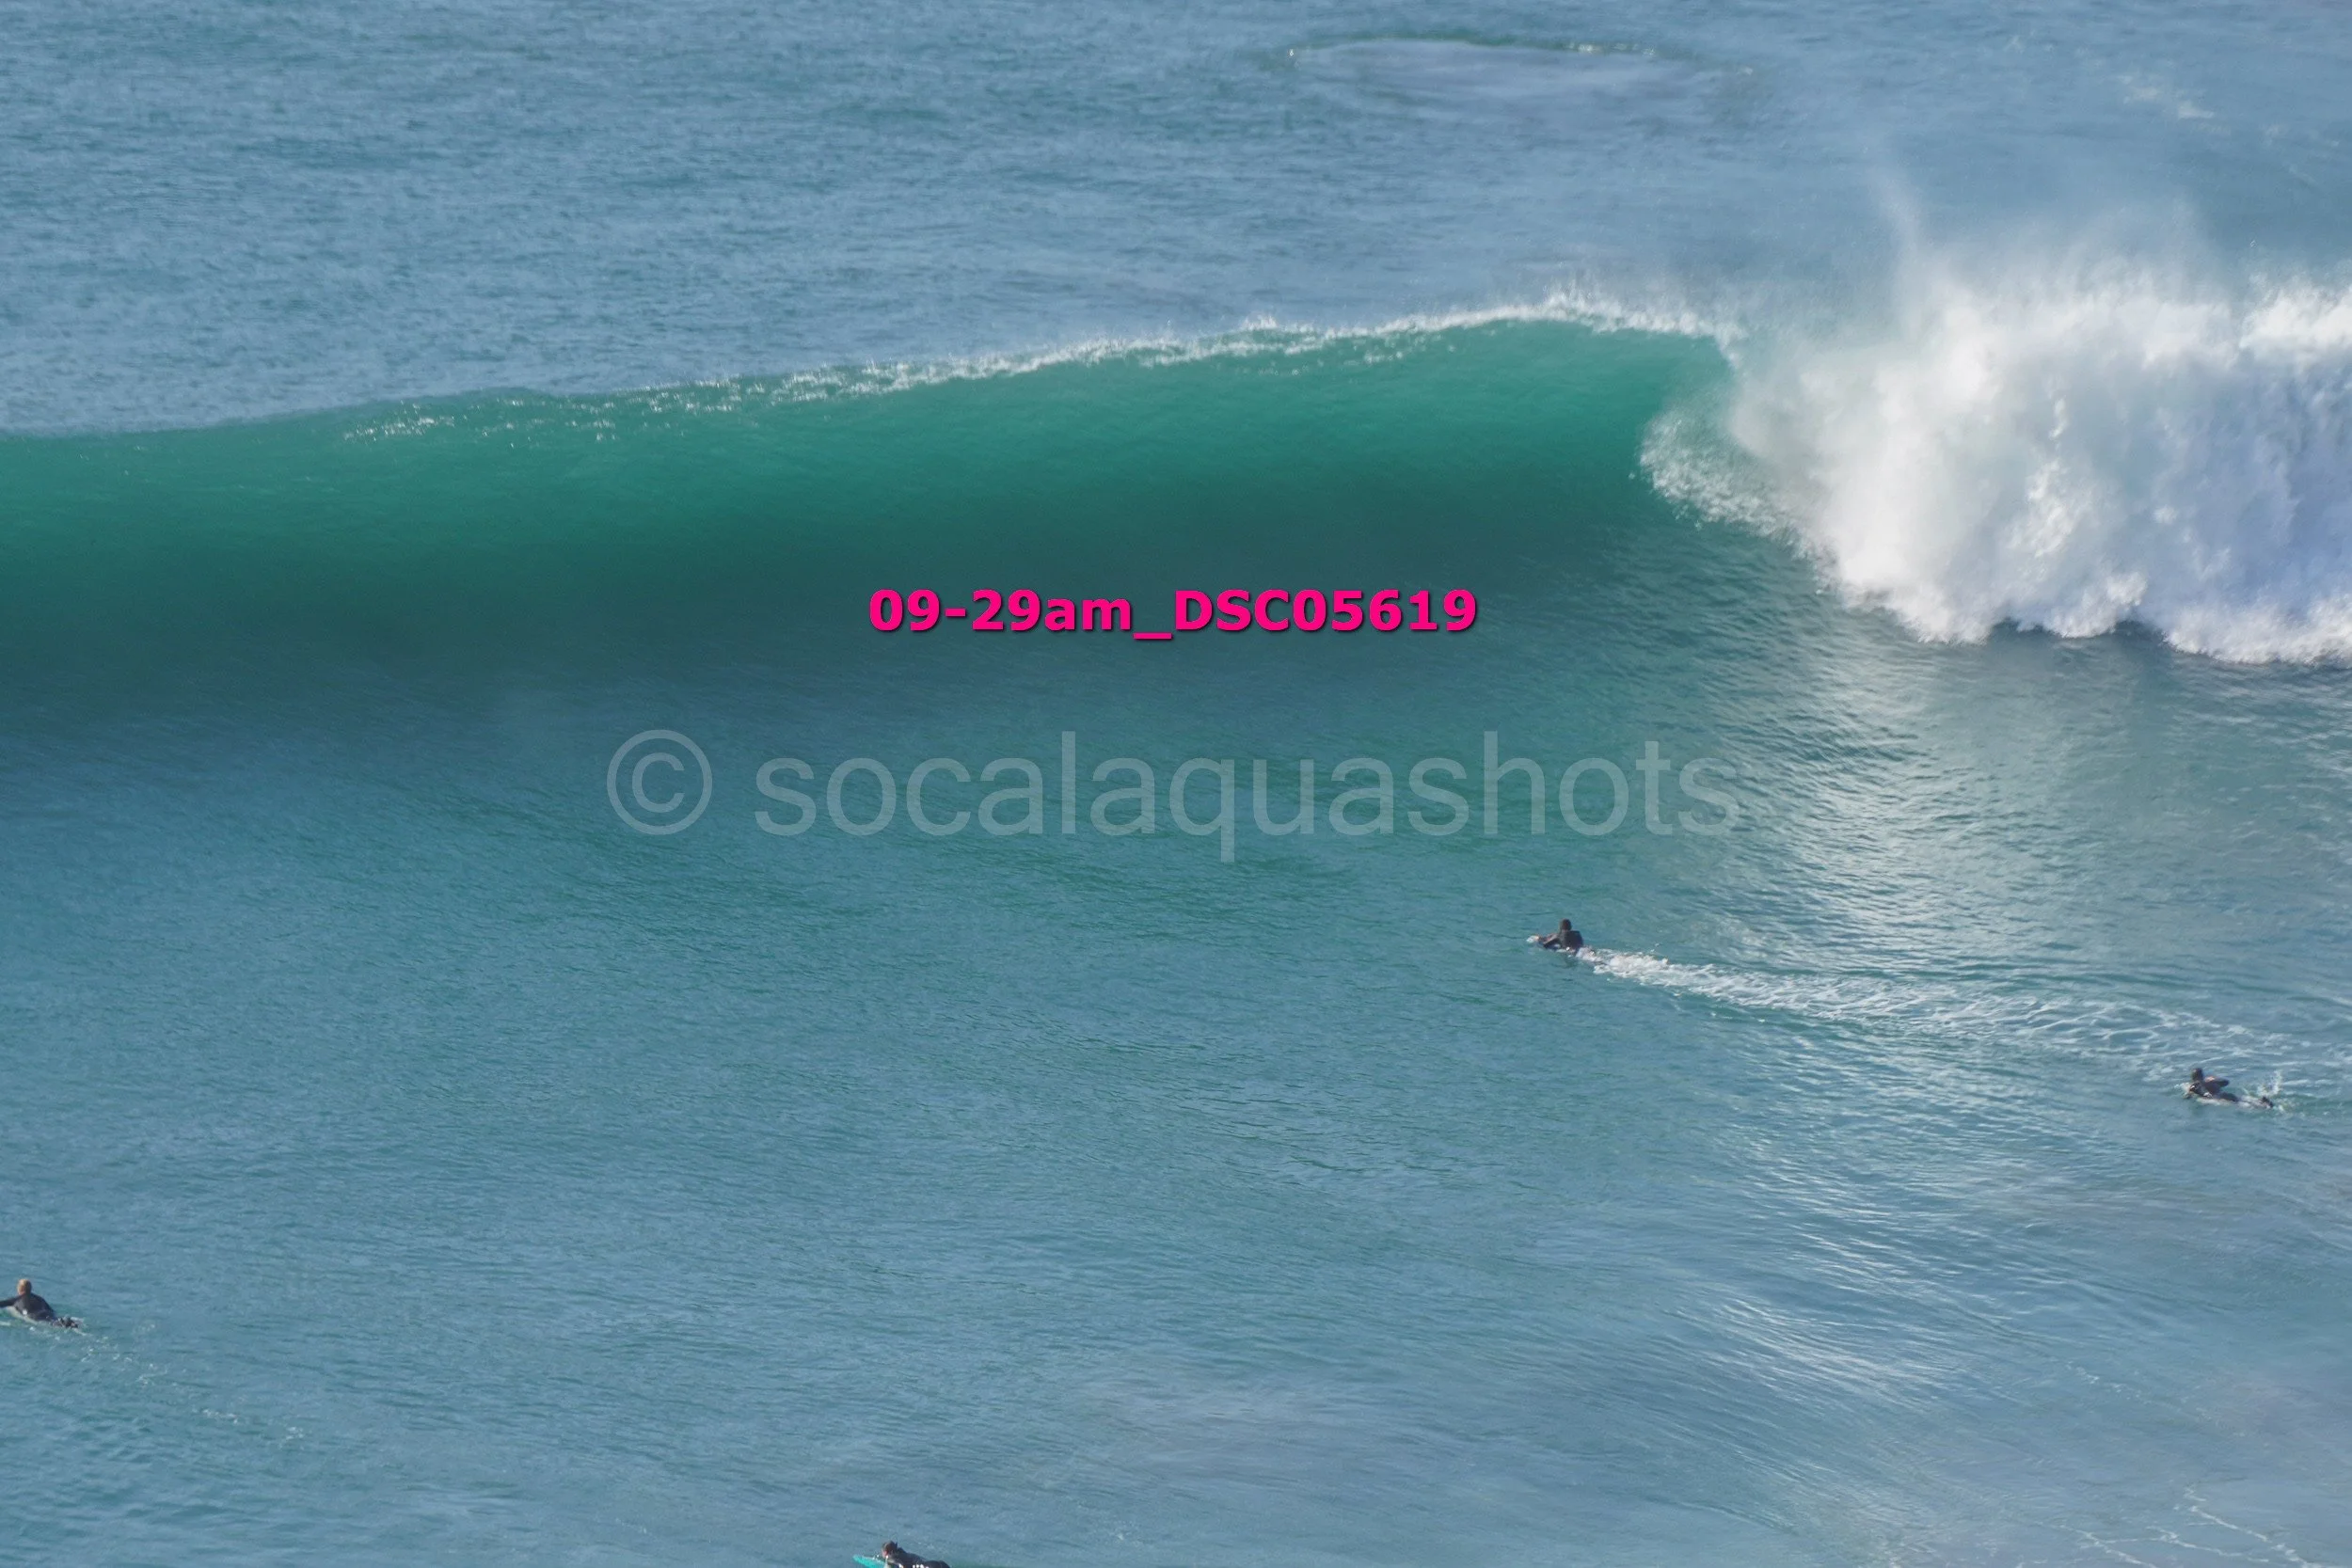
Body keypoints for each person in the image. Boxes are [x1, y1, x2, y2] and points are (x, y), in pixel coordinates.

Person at [3, 1278, 79, 1328]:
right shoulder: (40, 1299)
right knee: (57, 1321)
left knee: (52, 1324)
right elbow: (53, 1311)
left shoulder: (16, 1300)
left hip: (35, 1317)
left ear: (19, 1289)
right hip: (49, 1314)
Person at [882, 1544, 948, 1568]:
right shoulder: (903, 1553)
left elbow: (897, 1562)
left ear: (885, 1552)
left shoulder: (890, 1557)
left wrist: (901, 1565)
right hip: (940, 1564)